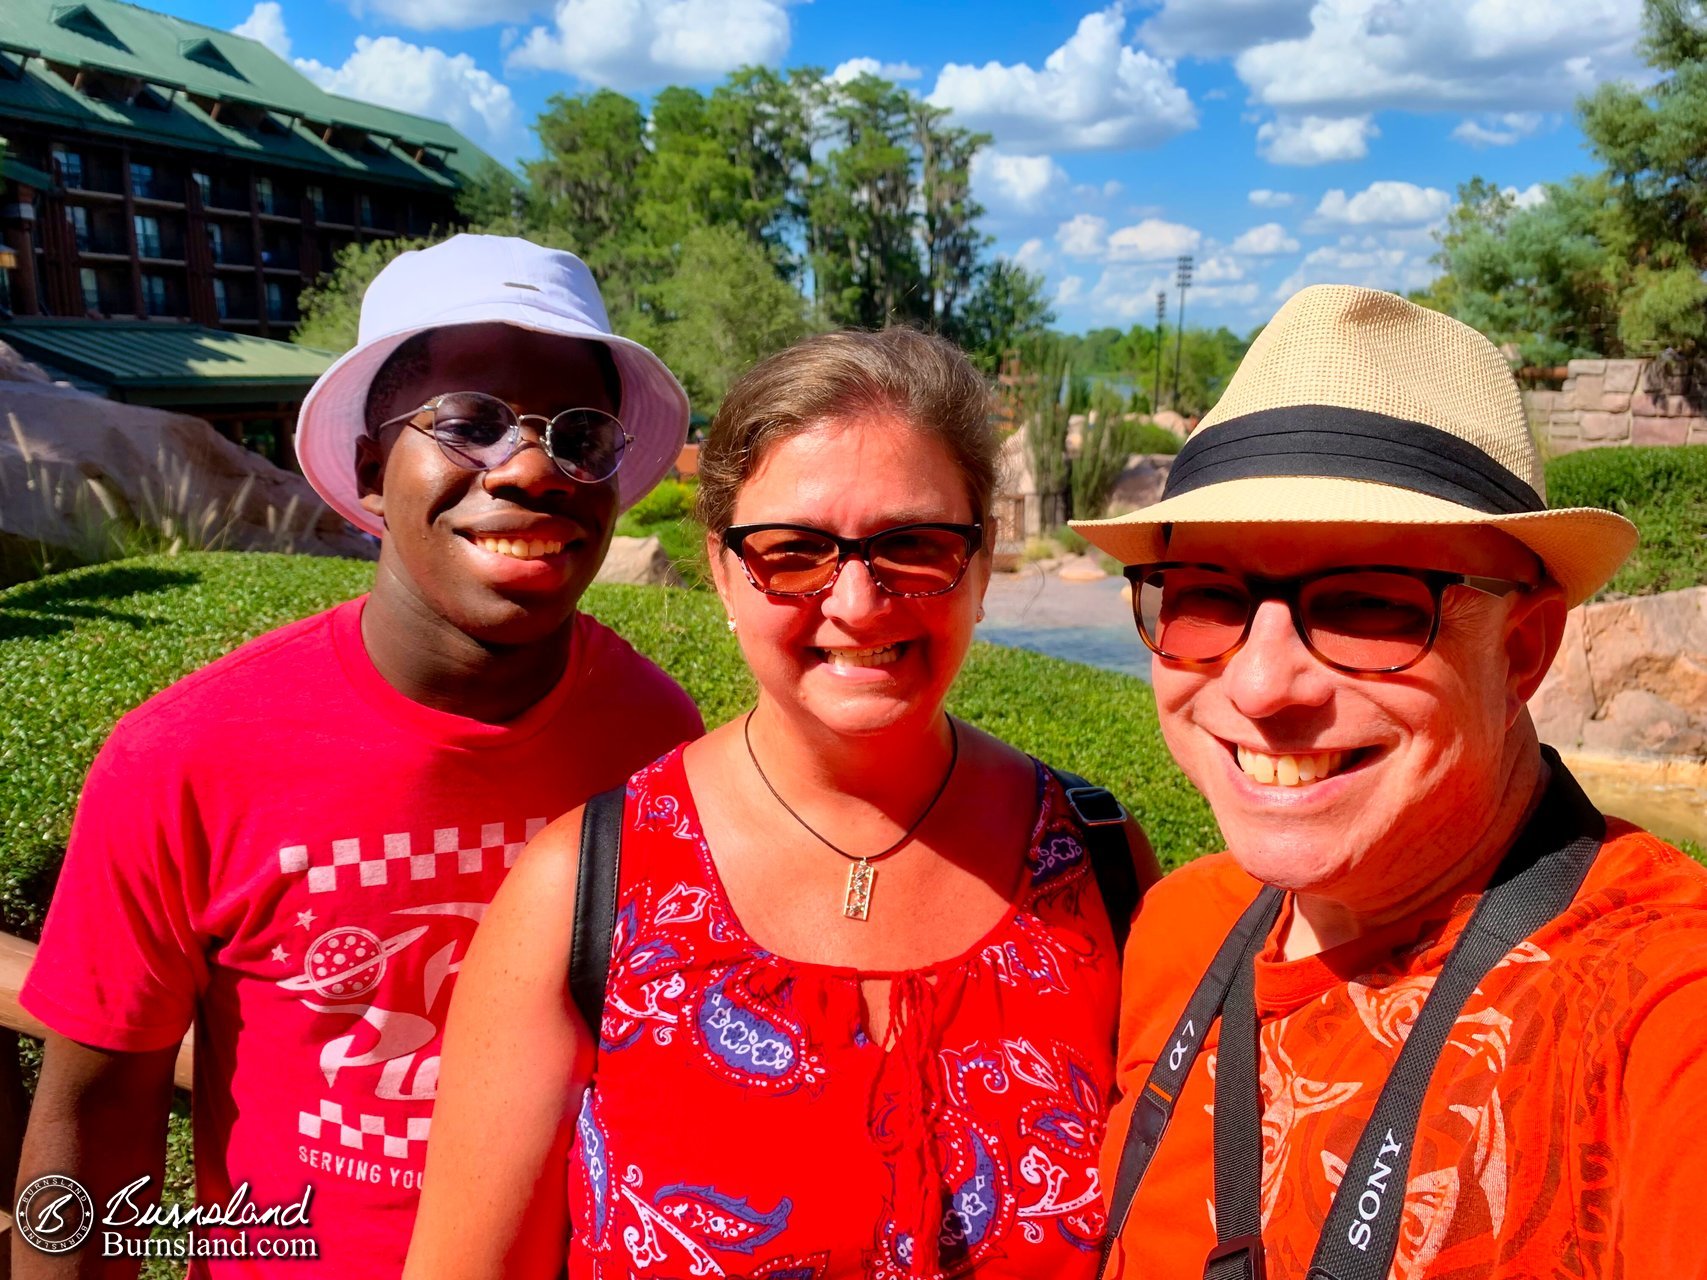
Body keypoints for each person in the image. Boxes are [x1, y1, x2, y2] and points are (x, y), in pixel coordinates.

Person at [405, 327, 1162, 1280]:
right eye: (793, 552)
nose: (856, 601)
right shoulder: (585, 889)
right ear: (722, 570)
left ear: (979, 563)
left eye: (914, 545)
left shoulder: (1098, 863)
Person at [15, 235, 705, 1278]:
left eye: (580, 433)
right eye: (468, 421)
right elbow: (96, 1116)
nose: (529, 467)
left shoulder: (654, 736)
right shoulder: (186, 756)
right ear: (374, 468)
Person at [1074, 284, 1707, 1279]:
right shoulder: (1178, 928)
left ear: (1525, 648)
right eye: (1204, 598)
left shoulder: (1654, 1007)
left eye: (1368, 603)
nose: (1260, 682)